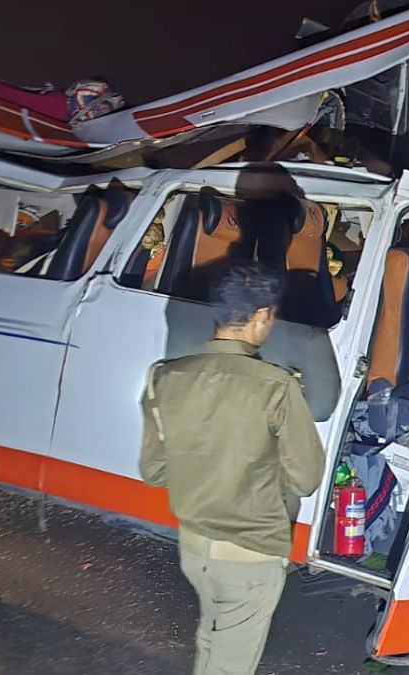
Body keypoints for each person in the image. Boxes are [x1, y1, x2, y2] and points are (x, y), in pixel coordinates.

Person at [139, 262, 326, 675]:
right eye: (272, 317)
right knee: (230, 663)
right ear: (261, 316)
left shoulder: (165, 376)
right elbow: (306, 478)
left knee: (211, 638)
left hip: (194, 546)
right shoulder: (277, 385)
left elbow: (154, 471)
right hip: (251, 551)